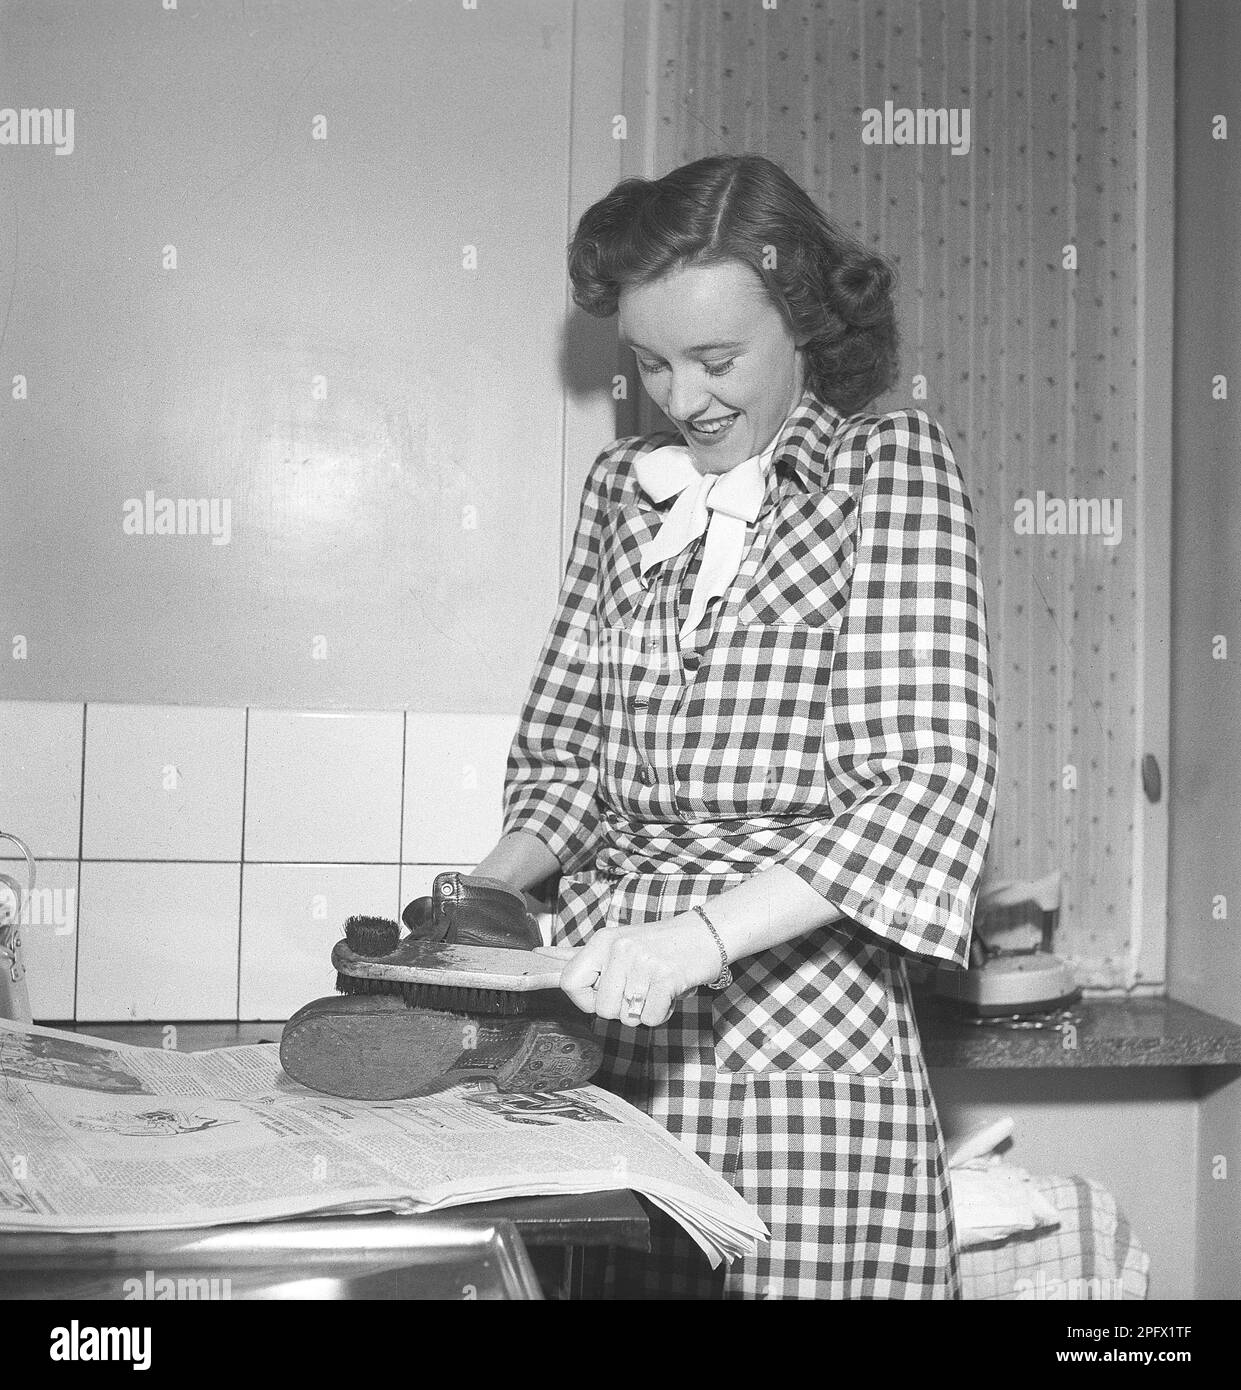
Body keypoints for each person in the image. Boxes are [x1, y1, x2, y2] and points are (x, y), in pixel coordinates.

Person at [471, 153, 998, 1299]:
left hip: (796, 1030)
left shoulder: (885, 471)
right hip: (607, 1025)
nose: (685, 396)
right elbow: (566, 765)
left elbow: (923, 786)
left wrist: (695, 942)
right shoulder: (626, 491)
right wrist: (479, 905)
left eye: (717, 359)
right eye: (652, 362)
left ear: (803, 319)